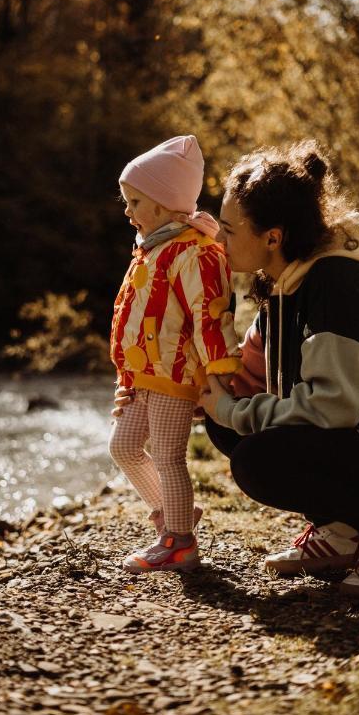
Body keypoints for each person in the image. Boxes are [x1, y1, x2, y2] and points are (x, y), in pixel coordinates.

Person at [198, 140, 359, 596]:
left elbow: (329, 410)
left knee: (255, 456)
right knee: (227, 425)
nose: (219, 239)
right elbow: (245, 374)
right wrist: (186, 391)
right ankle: (340, 531)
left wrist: (233, 411)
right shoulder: (283, 285)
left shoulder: (336, 285)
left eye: (228, 228)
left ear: (273, 237)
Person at [109, 134, 241, 574]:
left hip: (176, 373)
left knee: (167, 456)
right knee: (123, 447)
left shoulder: (195, 251)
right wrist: (125, 376)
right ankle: (173, 514)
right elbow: (133, 319)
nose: (127, 211)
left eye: (134, 202)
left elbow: (210, 315)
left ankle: (179, 541)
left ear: (164, 205)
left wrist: (219, 375)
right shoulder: (152, 248)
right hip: (144, 375)